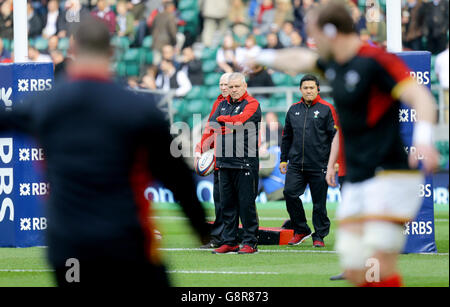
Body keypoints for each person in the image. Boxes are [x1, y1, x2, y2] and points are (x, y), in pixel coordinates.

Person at [0, 17, 210, 287]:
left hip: (68, 248)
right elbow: (177, 177)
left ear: (73, 51)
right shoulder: (138, 109)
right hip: (124, 242)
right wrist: (200, 228)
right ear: (111, 52)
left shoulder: (43, 105)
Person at [249, 1, 439, 287]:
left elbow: (421, 97)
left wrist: (424, 139)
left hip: (388, 174)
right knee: (353, 265)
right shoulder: (335, 64)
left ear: (331, 32)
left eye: (316, 35)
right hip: (360, 176)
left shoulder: (376, 61)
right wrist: (261, 55)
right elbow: (300, 60)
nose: (313, 42)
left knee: (377, 264)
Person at [280, 74, 339, 248]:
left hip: (320, 164)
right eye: (305, 88)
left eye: (312, 88)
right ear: (300, 90)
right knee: (289, 193)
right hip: (296, 164)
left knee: (319, 203)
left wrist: (334, 162)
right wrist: (283, 159)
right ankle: (301, 229)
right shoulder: (293, 109)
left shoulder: (327, 109)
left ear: (318, 89)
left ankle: (319, 235)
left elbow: (334, 137)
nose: (308, 91)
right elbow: (286, 136)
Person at [209, 72, 261, 254]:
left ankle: (250, 241)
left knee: (246, 204)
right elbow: (212, 124)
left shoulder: (253, 104)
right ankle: (229, 240)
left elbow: (240, 121)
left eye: (237, 86)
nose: (233, 90)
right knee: (227, 205)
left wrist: (225, 122)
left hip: (245, 160)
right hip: (224, 161)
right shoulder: (222, 104)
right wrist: (227, 124)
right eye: (231, 87)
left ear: (245, 86)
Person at [195, 72, 232, 249]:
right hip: (219, 160)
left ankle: (246, 236)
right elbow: (210, 129)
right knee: (219, 199)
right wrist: (200, 150)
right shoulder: (218, 102)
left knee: (240, 201)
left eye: (226, 84)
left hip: (236, 160)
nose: (224, 87)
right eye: (221, 84)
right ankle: (218, 238)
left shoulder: (242, 104)